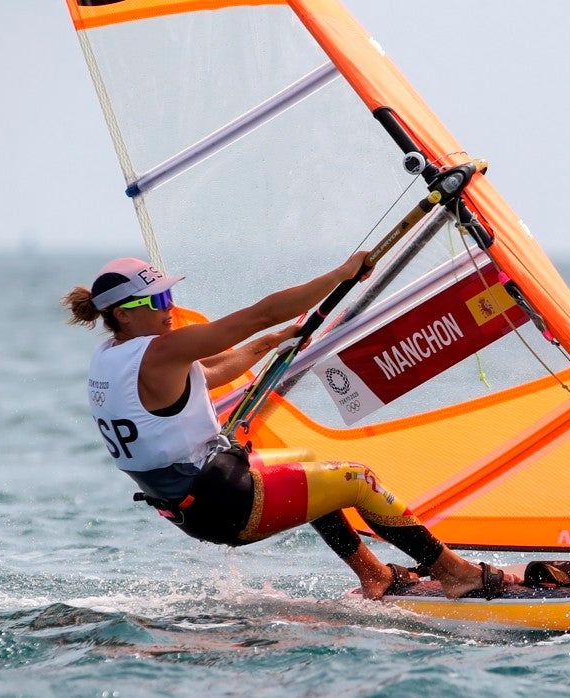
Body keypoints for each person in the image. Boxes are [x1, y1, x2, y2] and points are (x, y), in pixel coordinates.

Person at [63, 254, 520, 600]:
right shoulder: (161, 351)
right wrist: (339, 275)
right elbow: (260, 314)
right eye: (157, 300)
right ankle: (456, 574)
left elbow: (214, 370)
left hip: (197, 500)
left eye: (169, 295)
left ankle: (374, 574)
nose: (170, 308)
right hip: (223, 499)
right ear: (123, 313)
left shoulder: (113, 358)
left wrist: (271, 343)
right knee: (357, 481)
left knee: (310, 467)